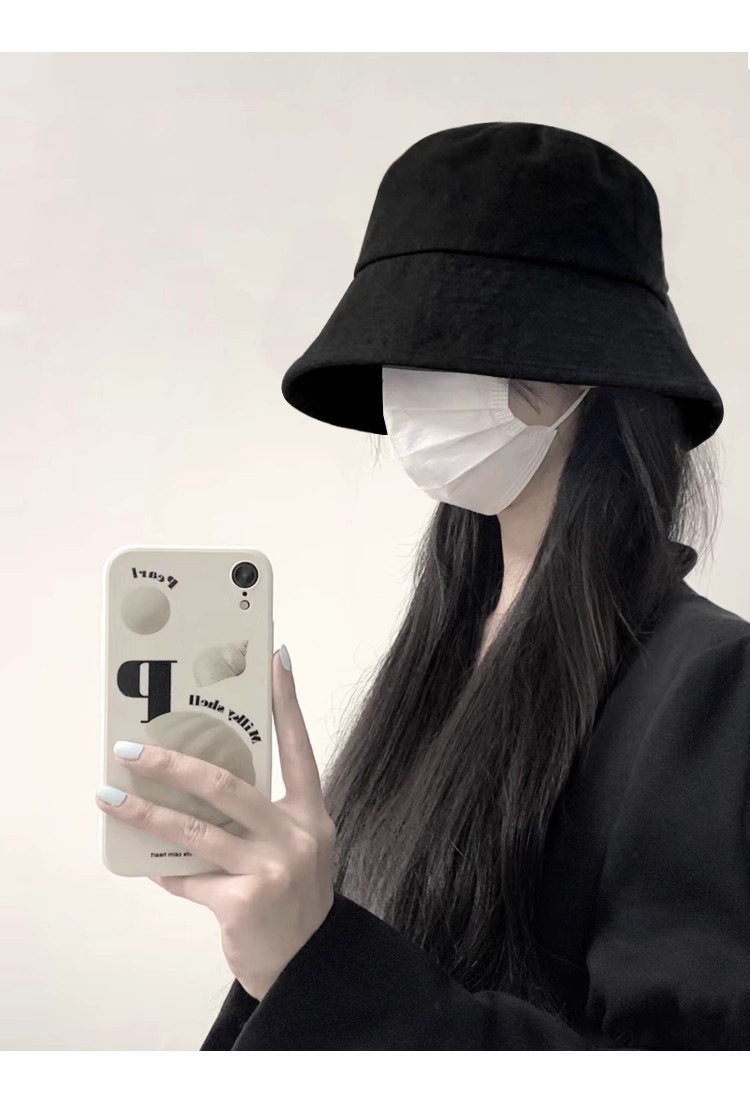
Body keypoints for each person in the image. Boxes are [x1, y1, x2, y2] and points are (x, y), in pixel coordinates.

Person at [200, 123, 750, 1050]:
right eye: (405, 349)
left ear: (594, 374)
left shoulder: (712, 687)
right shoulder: (448, 651)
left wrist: (318, 960)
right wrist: (279, 935)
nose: (417, 387)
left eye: (463, 343)